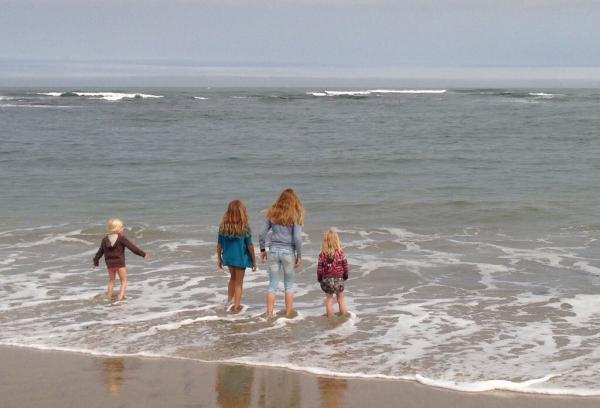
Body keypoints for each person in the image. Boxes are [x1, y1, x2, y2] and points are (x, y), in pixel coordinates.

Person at [259, 188, 304, 318]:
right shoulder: (294, 216)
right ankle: (289, 314)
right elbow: (298, 238)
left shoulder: (272, 213)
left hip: (273, 251)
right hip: (288, 252)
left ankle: (269, 314)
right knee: (288, 285)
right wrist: (299, 255)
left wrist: (262, 249)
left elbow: (261, 233)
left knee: (272, 285)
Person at [93, 219, 147, 302]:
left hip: (110, 264)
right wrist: (143, 254)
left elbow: (100, 252)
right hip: (120, 263)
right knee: (124, 281)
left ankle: (109, 297)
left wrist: (95, 262)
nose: (123, 228)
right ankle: (120, 297)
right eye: (121, 227)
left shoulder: (105, 240)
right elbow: (133, 248)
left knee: (111, 281)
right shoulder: (121, 238)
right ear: (116, 229)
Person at [217, 200, 257, 313]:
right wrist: (254, 261)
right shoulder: (244, 228)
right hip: (240, 258)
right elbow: (250, 246)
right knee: (239, 283)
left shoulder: (223, 227)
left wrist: (219, 258)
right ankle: (236, 306)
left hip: (228, 258)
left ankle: (229, 301)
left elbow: (219, 244)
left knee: (232, 279)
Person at [316, 228, 348, 318]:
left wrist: (319, 278)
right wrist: (345, 276)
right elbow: (345, 266)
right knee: (341, 299)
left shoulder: (322, 255)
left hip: (327, 280)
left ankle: (330, 319)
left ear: (325, 242)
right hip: (339, 279)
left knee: (329, 300)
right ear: (337, 240)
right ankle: (343, 318)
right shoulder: (341, 253)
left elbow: (319, 269)